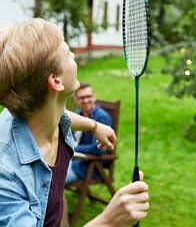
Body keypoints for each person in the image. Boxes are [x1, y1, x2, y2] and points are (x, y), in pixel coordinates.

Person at [0, 18, 149, 227]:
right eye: (67, 52)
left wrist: (94, 126)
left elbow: (61, 115)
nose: (73, 56)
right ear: (56, 81)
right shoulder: (6, 177)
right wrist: (108, 221)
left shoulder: (29, 111)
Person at [65, 83, 113, 185]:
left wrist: (73, 148)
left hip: (87, 166)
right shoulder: (78, 114)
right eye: (82, 98)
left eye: (88, 96)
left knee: (54, 181)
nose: (86, 100)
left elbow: (98, 149)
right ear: (76, 99)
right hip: (71, 160)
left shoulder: (102, 118)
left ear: (94, 96)